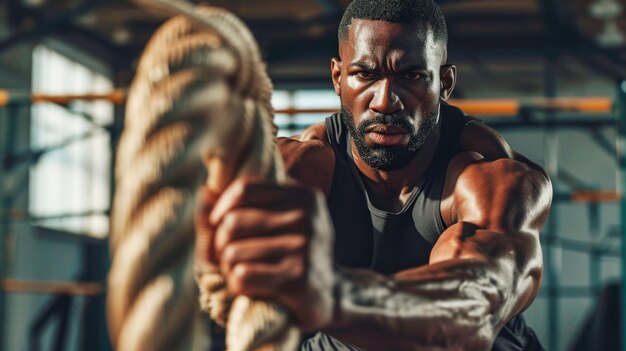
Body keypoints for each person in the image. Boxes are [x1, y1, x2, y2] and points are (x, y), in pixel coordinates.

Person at [195, 0, 552, 349]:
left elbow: (469, 315)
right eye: (365, 75)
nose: (384, 101)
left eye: (411, 76)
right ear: (338, 77)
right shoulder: (304, 165)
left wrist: (328, 296)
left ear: (444, 83)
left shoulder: (488, 176)